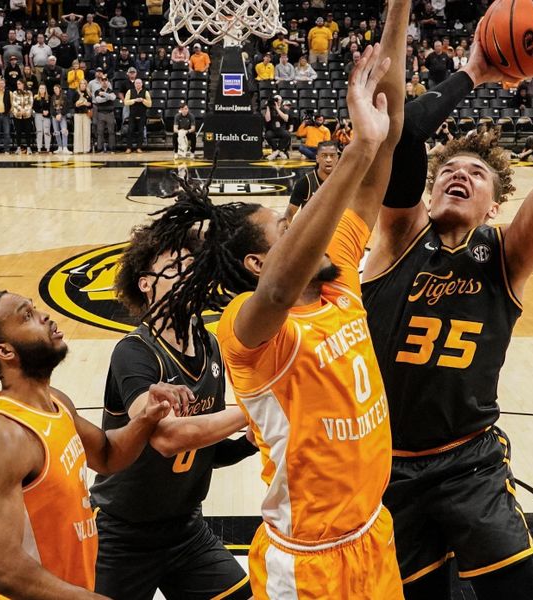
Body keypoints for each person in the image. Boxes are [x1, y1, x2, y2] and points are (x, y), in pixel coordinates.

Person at [153, 30, 407, 597]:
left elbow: (384, 146)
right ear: (256, 261)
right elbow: (274, 292)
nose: (299, 226)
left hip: (372, 533)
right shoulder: (249, 328)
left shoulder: (336, 276)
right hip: (307, 563)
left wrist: (398, 12)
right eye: (283, 228)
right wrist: (358, 150)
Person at [359, 2, 533, 599]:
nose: (458, 175)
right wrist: (471, 72)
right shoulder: (397, 237)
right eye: (448, 171)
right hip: (390, 467)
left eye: (476, 174)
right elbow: (399, 132)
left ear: (494, 205)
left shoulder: (506, 256)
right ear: (428, 193)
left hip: (471, 462)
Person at [0, 291, 188, 598]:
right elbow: (2, 571)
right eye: (26, 316)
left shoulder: (56, 402)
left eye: (35, 308)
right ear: (4, 350)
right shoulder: (2, 435)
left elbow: (108, 455)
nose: (44, 316)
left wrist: (146, 419)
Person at [89, 201, 259, 600]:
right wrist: (258, 407)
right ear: (146, 283)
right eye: (177, 265)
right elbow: (165, 438)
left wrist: (246, 445)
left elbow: (203, 450)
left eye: (193, 266)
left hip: (186, 530)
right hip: (122, 534)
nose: (189, 273)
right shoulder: (134, 353)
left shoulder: (211, 346)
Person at [283, 140, 339, 223]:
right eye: (324, 156)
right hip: (310, 230)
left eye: (332, 156)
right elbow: (290, 213)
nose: (328, 160)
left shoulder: (345, 181)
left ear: (337, 158)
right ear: (317, 158)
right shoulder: (305, 183)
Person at [124, 78, 151, 153]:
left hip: (142, 115)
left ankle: (139, 147)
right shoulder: (130, 91)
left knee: (141, 131)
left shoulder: (146, 92)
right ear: (134, 84)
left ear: (142, 84)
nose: (138, 84)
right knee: (130, 130)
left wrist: (143, 100)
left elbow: (150, 104)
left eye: (139, 83)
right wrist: (134, 100)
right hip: (132, 115)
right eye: (136, 83)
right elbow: (126, 102)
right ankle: (129, 147)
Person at [263, 94, 291, 160]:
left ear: (281, 101)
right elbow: (267, 119)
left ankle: (275, 153)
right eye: (275, 100)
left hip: (281, 130)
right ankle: (279, 152)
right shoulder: (270, 109)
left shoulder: (284, 109)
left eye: (278, 100)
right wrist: (267, 107)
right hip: (272, 130)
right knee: (267, 135)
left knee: (287, 135)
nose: (277, 101)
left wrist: (277, 109)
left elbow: (286, 119)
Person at [93, 76, 116, 152]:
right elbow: (98, 100)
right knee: (100, 132)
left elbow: (113, 98)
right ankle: (99, 148)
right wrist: (107, 97)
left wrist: (103, 94)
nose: (104, 82)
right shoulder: (97, 91)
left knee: (111, 132)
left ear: (108, 81)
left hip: (110, 113)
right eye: (102, 80)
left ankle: (111, 148)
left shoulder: (111, 90)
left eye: (105, 80)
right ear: (101, 82)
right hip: (100, 113)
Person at [11, 78, 34, 154]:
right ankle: (18, 148)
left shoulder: (29, 92)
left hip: (27, 115)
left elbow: (30, 103)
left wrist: (25, 110)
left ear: (23, 84)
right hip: (17, 115)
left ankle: (28, 148)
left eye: (19, 84)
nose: (18, 85)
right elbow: (14, 103)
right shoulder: (14, 92)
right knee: (18, 132)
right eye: (17, 84)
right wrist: (21, 109)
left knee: (28, 132)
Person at [72, 78, 92, 153]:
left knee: (86, 131)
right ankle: (77, 149)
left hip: (86, 114)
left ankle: (86, 149)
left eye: (84, 84)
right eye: (81, 84)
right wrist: (83, 103)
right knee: (78, 132)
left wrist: (84, 104)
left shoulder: (88, 93)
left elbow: (90, 104)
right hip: (78, 114)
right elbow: (75, 104)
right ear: (79, 85)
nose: (83, 85)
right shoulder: (76, 93)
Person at [50, 82, 71, 154]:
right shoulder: (52, 97)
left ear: (60, 89)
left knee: (64, 131)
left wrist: (61, 114)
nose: (55, 90)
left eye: (56, 88)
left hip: (62, 116)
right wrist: (55, 115)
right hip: (54, 116)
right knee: (56, 132)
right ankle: (59, 147)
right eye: (54, 89)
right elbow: (51, 108)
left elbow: (66, 107)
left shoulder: (64, 97)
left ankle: (65, 147)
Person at [32, 83, 51, 153]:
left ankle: (47, 147)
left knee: (47, 132)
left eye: (43, 88)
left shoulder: (49, 97)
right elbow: (34, 108)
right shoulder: (36, 98)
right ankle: (39, 147)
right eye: (40, 88)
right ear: (38, 90)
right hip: (38, 115)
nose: (41, 90)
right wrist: (42, 111)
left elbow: (50, 107)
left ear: (45, 90)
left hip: (47, 116)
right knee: (39, 131)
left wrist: (48, 111)